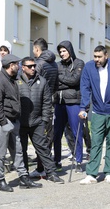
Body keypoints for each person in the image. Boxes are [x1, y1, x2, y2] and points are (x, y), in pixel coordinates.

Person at [0, 54, 42, 192]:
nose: (19, 66)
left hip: (13, 120)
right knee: (0, 153)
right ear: (10, 65)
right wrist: (2, 122)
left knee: (18, 150)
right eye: (16, 64)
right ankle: (0, 180)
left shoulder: (12, 79)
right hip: (2, 121)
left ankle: (23, 177)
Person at [18, 57, 64, 184]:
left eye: (34, 65)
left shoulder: (42, 81)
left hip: (37, 121)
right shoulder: (16, 81)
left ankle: (51, 173)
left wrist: (44, 120)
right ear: (23, 67)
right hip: (21, 123)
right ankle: (24, 174)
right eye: (30, 66)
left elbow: (47, 101)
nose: (33, 68)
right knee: (22, 150)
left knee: (43, 149)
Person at [79, 45, 110, 184]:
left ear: (106, 56)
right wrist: (83, 108)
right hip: (97, 111)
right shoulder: (89, 67)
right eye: (95, 56)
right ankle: (91, 174)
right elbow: (85, 88)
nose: (96, 59)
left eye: (99, 57)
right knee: (96, 142)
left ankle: (109, 172)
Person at [53, 40, 85, 173]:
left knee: (76, 132)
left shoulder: (79, 63)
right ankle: (57, 161)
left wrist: (61, 78)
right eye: (60, 51)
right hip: (59, 103)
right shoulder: (57, 65)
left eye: (64, 51)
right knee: (57, 134)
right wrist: (65, 81)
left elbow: (75, 80)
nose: (62, 53)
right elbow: (56, 83)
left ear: (70, 50)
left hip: (73, 102)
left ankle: (78, 160)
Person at [30, 37, 59, 177]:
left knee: (39, 137)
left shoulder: (39, 64)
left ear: (37, 49)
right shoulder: (54, 64)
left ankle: (42, 169)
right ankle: (45, 167)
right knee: (48, 137)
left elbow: (35, 84)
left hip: (40, 104)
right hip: (51, 103)